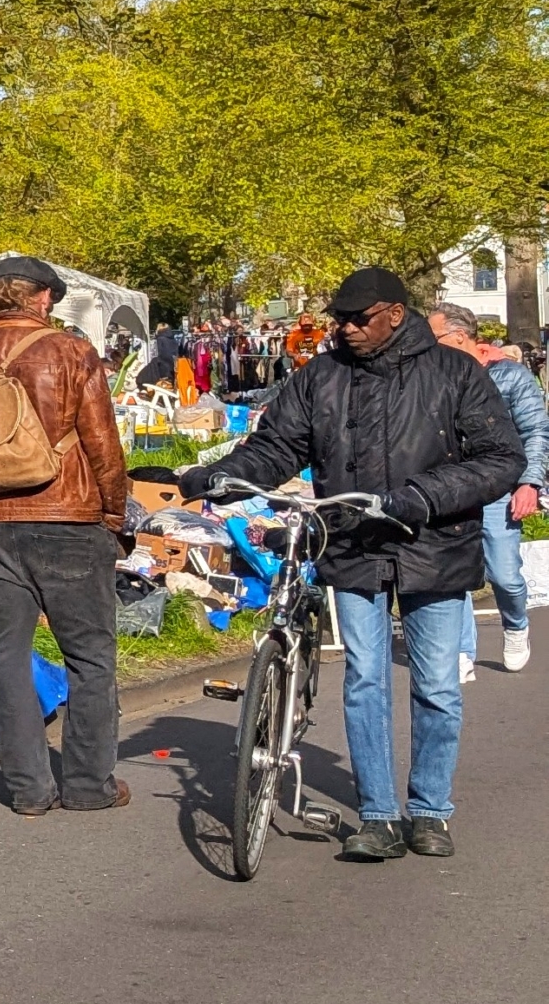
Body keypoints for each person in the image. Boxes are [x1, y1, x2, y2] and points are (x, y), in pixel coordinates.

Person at [180, 269, 521, 860]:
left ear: (393, 314)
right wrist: (222, 477)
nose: (344, 328)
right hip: (354, 543)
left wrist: (423, 495)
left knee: (437, 684)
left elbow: (499, 458)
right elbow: (279, 445)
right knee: (365, 679)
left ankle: (431, 810)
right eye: (341, 318)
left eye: (357, 318)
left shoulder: (455, 372)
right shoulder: (322, 376)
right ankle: (379, 815)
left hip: (434, 542)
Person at [0, 256, 132, 817]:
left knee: (8, 658)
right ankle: (89, 785)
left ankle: (28, 789)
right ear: (43, 299)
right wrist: (112, 517)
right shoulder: (71, 353)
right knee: (90, 657)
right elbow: (102, 445)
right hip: (69, 518)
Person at [427, 303, 547, 676]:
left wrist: (530, 482)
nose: (427, 347)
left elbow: (535, 431)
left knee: (504, 574)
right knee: (455, 572)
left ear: (459, 337)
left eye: (434, 339)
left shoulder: (510, 376)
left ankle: (516, 625)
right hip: (454, 487)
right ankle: (462, 653)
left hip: (500, 487)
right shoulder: (436, 377)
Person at [134, 320, 180, 391]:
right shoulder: (173, 340)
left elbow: (156, 355)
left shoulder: (159, 340)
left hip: (161, 369)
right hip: (173, 369)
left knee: (141, 379)